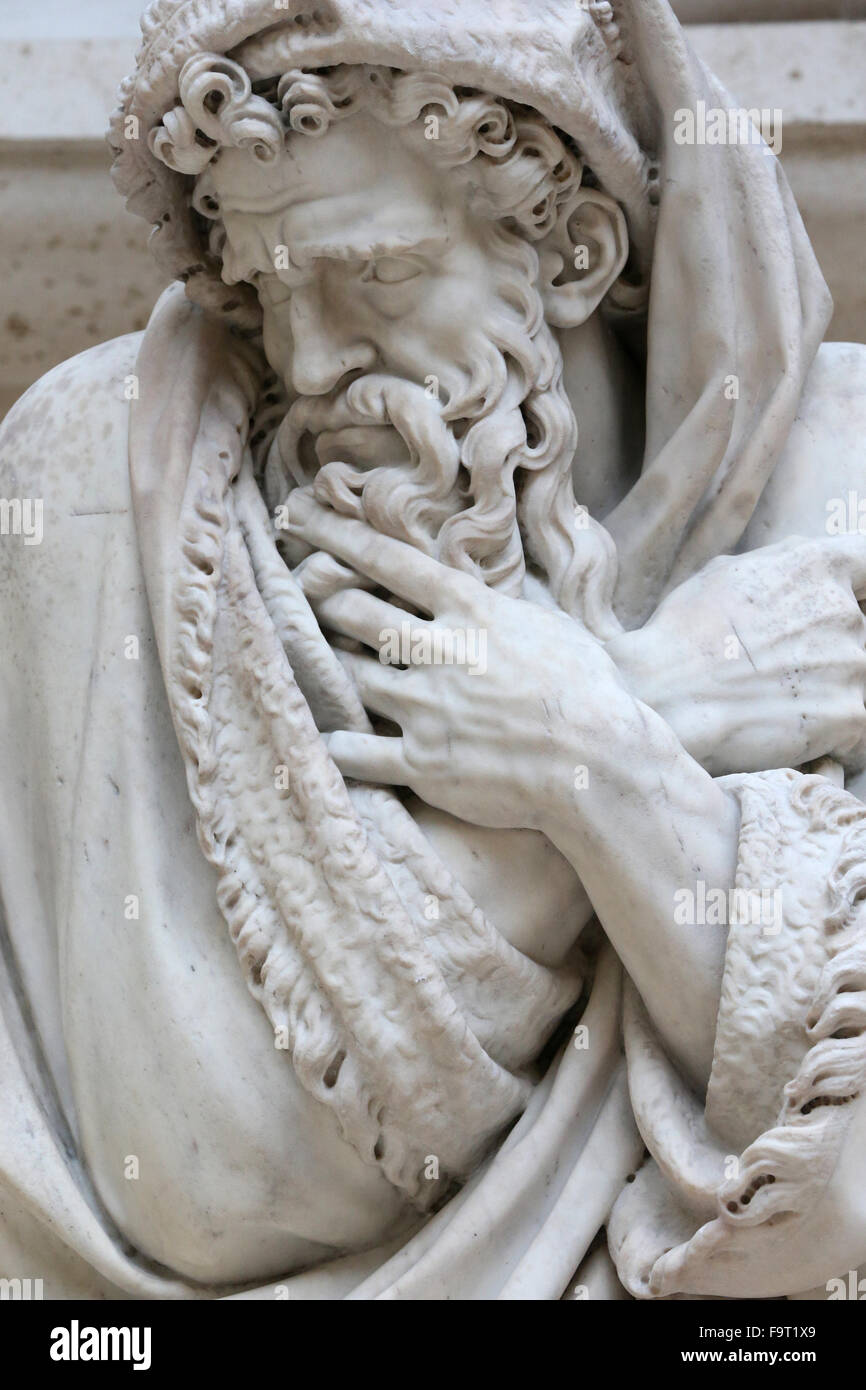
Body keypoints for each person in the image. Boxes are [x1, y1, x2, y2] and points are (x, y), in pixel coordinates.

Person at [1, 0, 866, 1300]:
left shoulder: (832, 494)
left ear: (572, 249)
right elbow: (199, 1185)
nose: (313, 354)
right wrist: (653, 703)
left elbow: (829, 1167)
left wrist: (594, 761)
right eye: (265, 285)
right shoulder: (97, 507)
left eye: (378, 273)